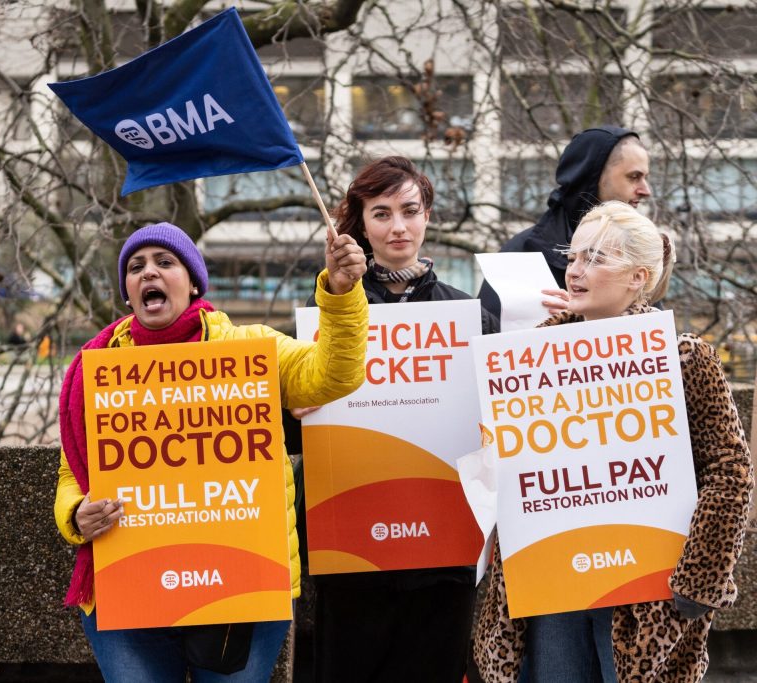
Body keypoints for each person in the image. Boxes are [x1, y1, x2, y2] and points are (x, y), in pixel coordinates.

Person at [53, 222, 369, 681]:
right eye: (136, 267)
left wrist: (340, 294)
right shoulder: (95, 369)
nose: (149, 274)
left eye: (165, 263)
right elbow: (70, 475)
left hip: (241, 592)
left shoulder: (250, 349)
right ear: (127, 291)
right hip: (128, 587)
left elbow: (333, 375)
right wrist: (77, 514)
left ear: (194, 282)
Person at [474, 201, 754, 683]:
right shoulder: (533, 355)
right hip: (552, 577)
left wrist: (699, 578)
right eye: (574, 256)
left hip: (644, 589)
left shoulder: (682, 357)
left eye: (596, 259)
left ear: (639, 277)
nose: (575, 271)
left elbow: (730, 472)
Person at [288, 156, 497, 682]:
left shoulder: (469, 316)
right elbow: (290, 425)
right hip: (352, 547)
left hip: (445, 547)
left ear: (428, 216)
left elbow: (508, 414)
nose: (398, 226)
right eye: (381, 213)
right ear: (360, 225)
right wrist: (294, 408)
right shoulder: (330, 316)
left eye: (410, 210)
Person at [479, 126, 651, 320]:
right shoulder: (519, 256)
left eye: (595, 259)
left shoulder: (641, 252)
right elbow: (488, 344)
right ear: (592, 176)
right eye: (634, 177)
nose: (646, 190)